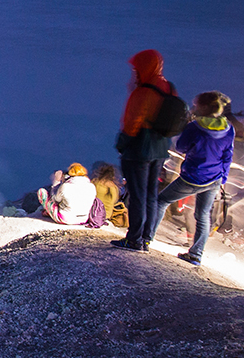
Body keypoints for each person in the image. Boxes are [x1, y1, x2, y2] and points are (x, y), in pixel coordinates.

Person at [141, 91, 236, 265]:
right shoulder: (228, 128)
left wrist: (186, 127)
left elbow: (181, 147)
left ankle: (146, 239)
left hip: (193, 177)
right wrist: (223, 179)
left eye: (196, 105)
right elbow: (227, 155)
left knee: (161, 201)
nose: (193, 108)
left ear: (205, 107)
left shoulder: (195, 127)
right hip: (214, 178)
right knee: (203, 215)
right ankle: (196, 254)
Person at [112, 49, 177, 252]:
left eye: (136, 69)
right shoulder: (167, 87)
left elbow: (133, 123)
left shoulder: (143, 92)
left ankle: (134, 240)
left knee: (137, 195)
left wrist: (122, 144)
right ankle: (146, 238)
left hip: (140, 149)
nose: (134, 73)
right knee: (150, 195)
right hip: (160, 148)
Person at [91, 162, 127, 228]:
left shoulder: (95, 183)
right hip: (107, 216)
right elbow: (114, 201)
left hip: (94, 215)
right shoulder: (114, 188)